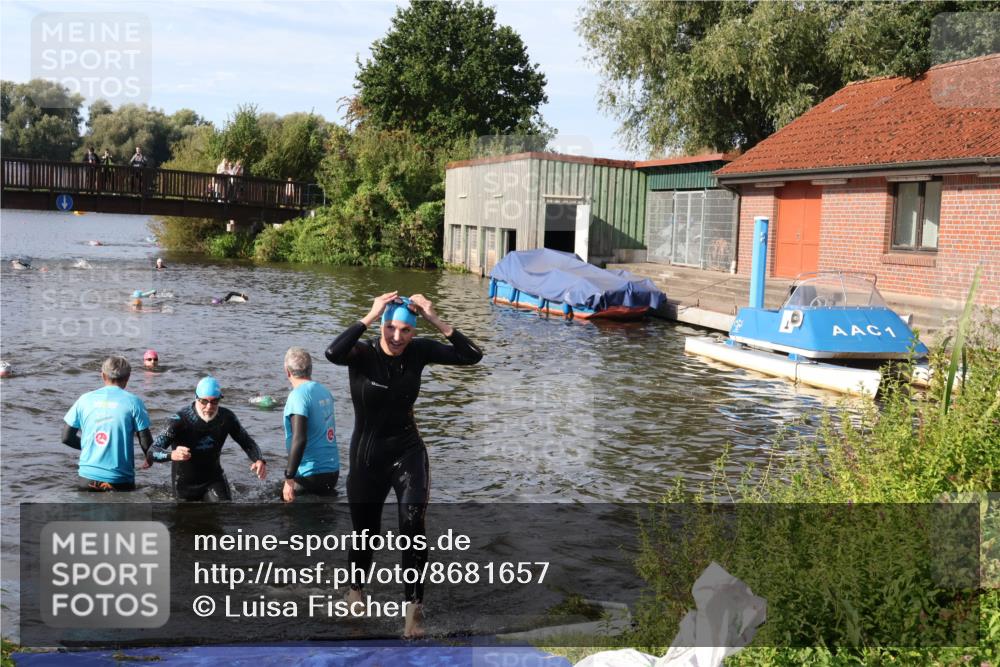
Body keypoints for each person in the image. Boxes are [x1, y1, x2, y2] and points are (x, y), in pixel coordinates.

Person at [325, 292, 483, 638]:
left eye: (406, 331)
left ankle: (413, 613)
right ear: (382, 325)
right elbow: (332, 353)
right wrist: (370, 314)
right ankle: (356, 591)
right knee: (366, 535)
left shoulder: (419, 351)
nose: (397, 338)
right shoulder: (362, 353)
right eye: (391, 329)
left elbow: (472, 356)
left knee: (412, 526)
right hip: (367, 459)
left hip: (407, 453)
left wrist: (433, 317)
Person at [150, 376, 267, 501]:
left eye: (214, 401)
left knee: (225, 511)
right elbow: (151, 452)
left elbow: (247, 442)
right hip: (184, 485)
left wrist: (259, 460)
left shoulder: (226, 418)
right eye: (204, 401)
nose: (209, 406)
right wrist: (171, 455)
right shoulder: (179, 420)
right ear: (196, 398)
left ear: (220, 399)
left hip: (214, 480)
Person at [61, 355, 153, 492]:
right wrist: (149, 458)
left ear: (102, 375)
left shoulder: (84, 400)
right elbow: (145, 442)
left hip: (86, 478)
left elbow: (66, 438)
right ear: (128, 377)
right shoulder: (134, 402)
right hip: (119, 480)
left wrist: (91, 447)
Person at [281, 347, 340, 502]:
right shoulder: (324, 391)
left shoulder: (298, 396)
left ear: (287, 371)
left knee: (279, 505)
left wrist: (289, 477)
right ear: (310, 369)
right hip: (332, 472)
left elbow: (299, 439)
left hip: (310, 474)